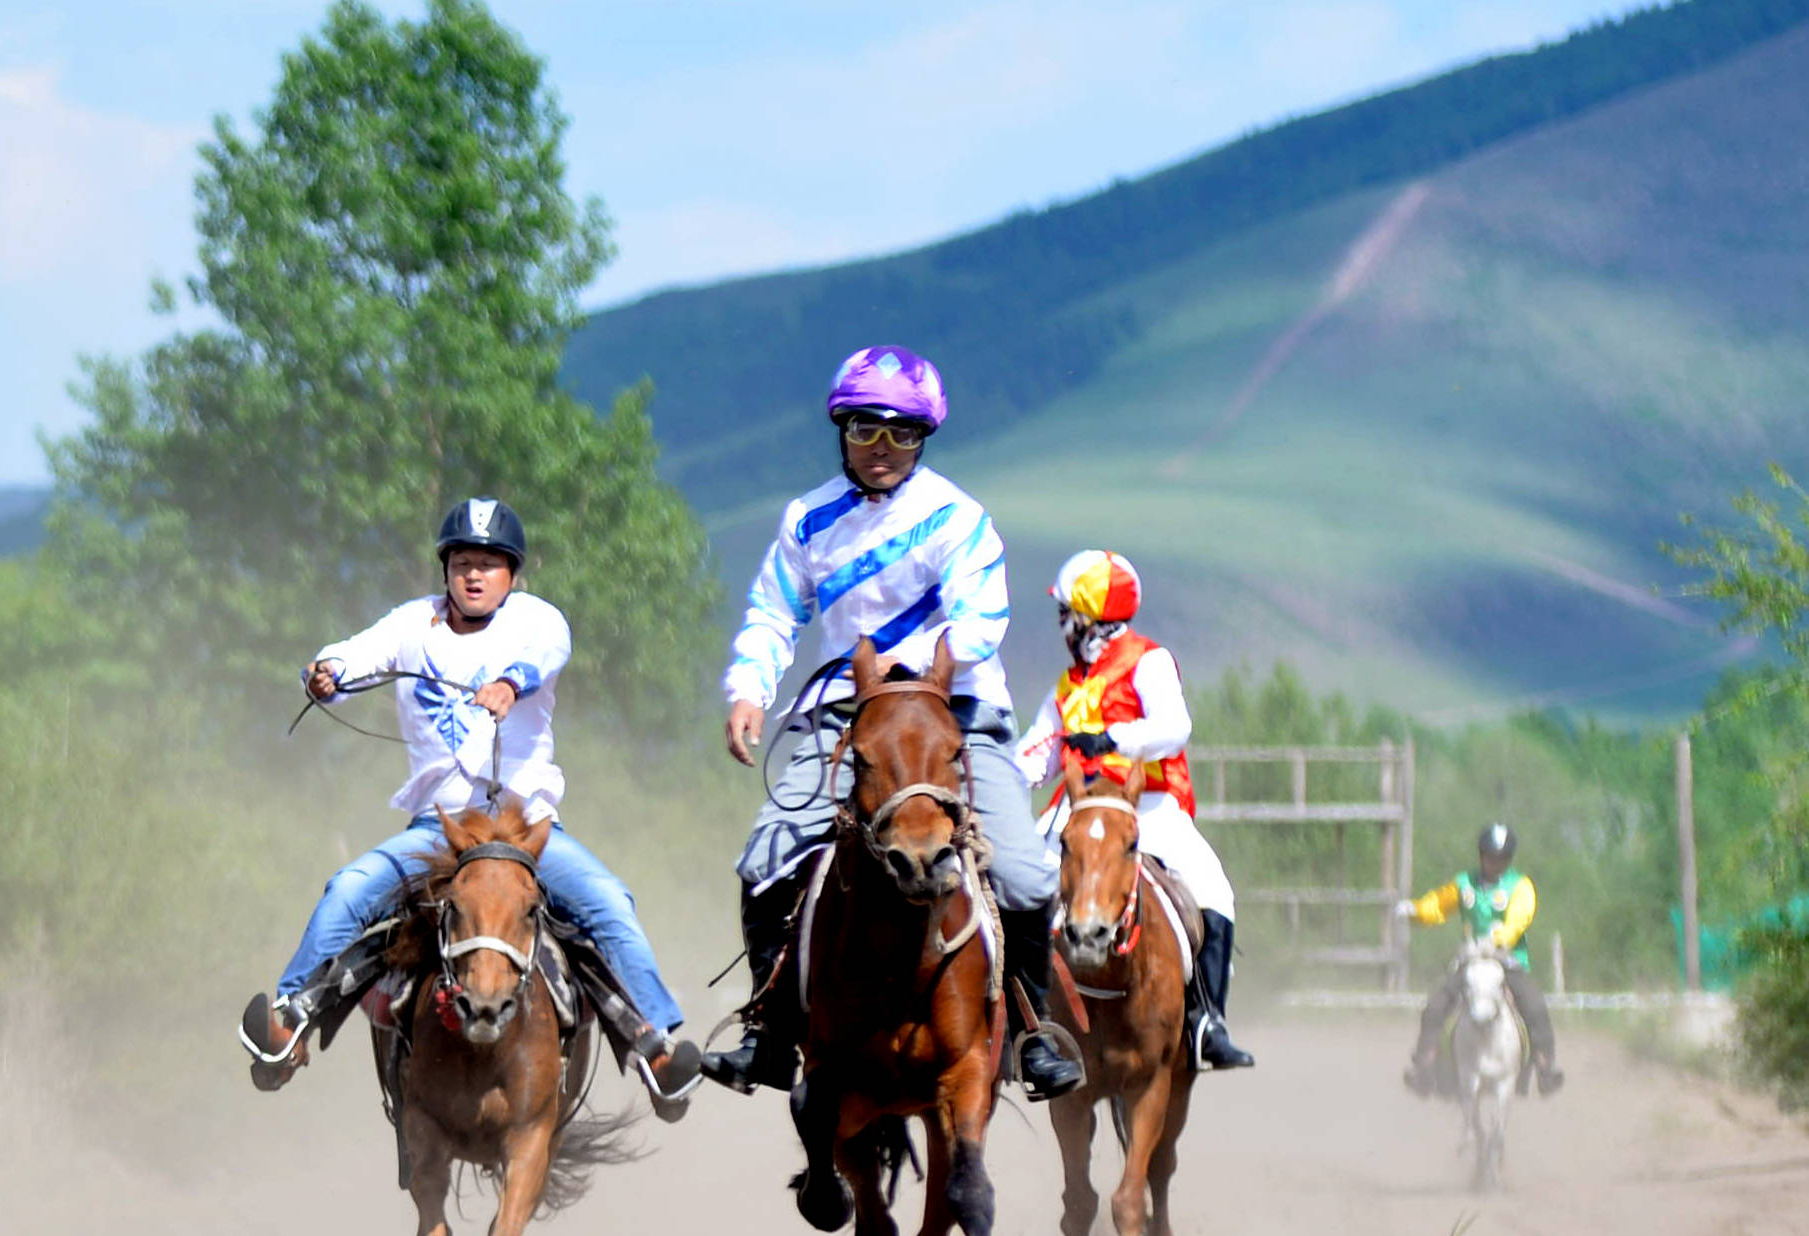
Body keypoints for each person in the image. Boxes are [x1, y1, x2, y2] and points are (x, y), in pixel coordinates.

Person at [695, 346, 1086, 1103]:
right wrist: (748, 690)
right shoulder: (805, 519)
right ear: (840, 428)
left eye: (902, 433)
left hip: (953, 713)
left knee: (1026, 873)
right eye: (866, 429)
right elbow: (773, 613)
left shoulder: (957, 517)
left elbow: (980, 617)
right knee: (763, 859)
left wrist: (920, 674)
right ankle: (770, 1033)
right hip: (846, 716)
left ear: (923, 439)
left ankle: (1033, 1034)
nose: (882, 447)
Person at [236, 499, 701, 1100]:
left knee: (609, 902)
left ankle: (655, 1044)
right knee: (349, 889)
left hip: (525, 832)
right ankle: (290, 1019)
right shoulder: (411, 625)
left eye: (488, 563)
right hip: (439, 831)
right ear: (446, 570)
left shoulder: (537, 620)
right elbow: (357, 654)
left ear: (512, 574)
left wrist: (510, 684)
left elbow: (541, 657)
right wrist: (326, 672)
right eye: (461, 562)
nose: (474, 574)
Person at [1013, 550, 1253, 1072]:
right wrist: (1003, 773)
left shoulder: (1148, 660)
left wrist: (1111, 737)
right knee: (1016, 881)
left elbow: (1175, 726)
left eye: (1066, 615)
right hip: (1078, 813)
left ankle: (1207, 1022)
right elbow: (1039, 749)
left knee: (1214, 889)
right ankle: (1020, 1023)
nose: (1060, 626)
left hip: (1149, 809)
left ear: (1092, 618)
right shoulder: (1067, 686)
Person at [1403, 821, 1560, 1095]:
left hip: (1507, 960)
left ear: (1509, 860)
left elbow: (1520, 917)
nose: (1495, 864)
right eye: (1490, 857)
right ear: (1481, 856)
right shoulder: (1465, 885)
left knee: (1535, 1007)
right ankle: (1424, 1066)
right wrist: (1415, 911)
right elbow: (1439, 905)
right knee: (1436, 1006)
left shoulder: (1520, 886)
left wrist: (1502, 937)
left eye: (1501, 859)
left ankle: (1545, 1068)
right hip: (1472, 960)